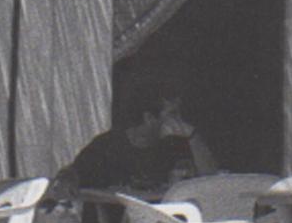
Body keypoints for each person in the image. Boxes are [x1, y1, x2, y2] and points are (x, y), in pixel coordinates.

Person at [54, 71, 215, 197]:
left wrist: (193, 135)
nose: (178, 120)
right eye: (172, 113)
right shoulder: (109, 145)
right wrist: (67, 180)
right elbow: (72, 173)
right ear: (149, 118)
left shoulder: (176, 144)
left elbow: (211, 178)